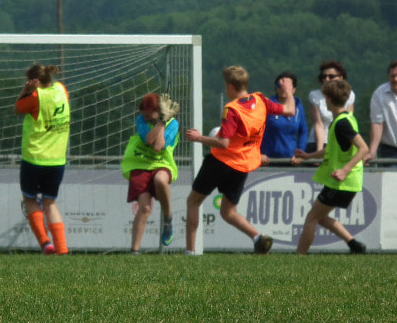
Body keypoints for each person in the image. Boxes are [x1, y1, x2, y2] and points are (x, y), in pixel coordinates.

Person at [184, 65, 294, 255]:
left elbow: (223, 142)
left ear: (231, 87)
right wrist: (289, 91)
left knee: (193, 202)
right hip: (242, 166)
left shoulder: (232, 109)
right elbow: (290, 110)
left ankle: (190, 251)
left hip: (221, 162)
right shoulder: (260, 100)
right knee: (228, 212)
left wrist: (198, 138)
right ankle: (257, 238)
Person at [294, 78, 369, 254]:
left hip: (341, 181)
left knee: (312, 217)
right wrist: (308, 156)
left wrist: (344, 170)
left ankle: (299, 257)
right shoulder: (345, 119)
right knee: (320, 216)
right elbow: (331, 149)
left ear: (327, 99)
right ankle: (355, 245)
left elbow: (364, 148)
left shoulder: (342, 123)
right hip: (344, 181)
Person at [14, 63, 71, 255]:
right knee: (50, 203)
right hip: (57, 160)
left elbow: (17, 108)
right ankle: (62, 249)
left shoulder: (35, 98)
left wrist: (26, 90)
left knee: (30, 199)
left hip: (35, 158)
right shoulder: (61, 90)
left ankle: (45, 243)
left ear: (34, 81)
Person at [121, 93, 180, 253]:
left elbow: (158, 147)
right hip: (140, 163)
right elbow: (148, 140)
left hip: (162, 163)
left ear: (158, 111)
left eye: (149, 115)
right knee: (145, 208)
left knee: (160, 179)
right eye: (144, 115)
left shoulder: (173, 124)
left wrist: (163, 122)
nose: (145, 118)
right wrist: (160, 121)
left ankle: (167, 218)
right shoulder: (141, 120)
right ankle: (134, 250)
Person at [306, 61, 355, 153]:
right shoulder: (315, 96)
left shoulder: (350, 95)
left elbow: (349, 121)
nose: (327, 79)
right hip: (319, 142)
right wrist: (319, 151)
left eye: (331, 76)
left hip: (340, 142)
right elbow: (318, 124)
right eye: (324, 76)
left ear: (341, 77)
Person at [260, 71, 307, 163]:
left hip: (291, 159)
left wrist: (300, 152)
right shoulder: (268, 105)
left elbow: (303, 131)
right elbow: (256, 130)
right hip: (268, 159)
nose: (283, 88)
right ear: (276, 88)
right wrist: (258, 153)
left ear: (294, 90)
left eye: (287, 85)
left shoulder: (298, 107)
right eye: (280, 85)